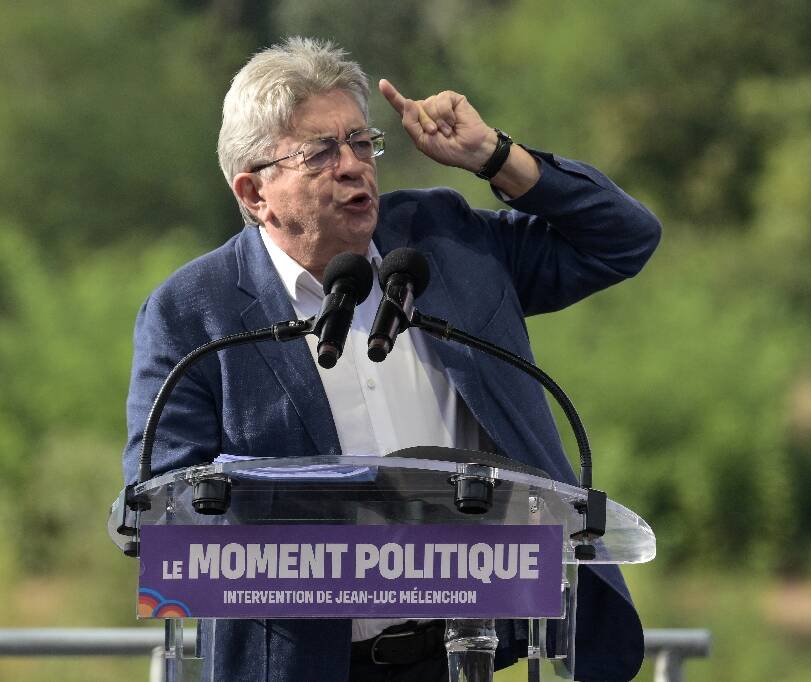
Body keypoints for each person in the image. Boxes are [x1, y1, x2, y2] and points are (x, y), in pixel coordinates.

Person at [122, 36, 660, 681]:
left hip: (470, 651)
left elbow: (622, 240)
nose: (354, 165)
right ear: (254, 192)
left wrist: (493, 156)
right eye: (320, 152)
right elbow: (163, 517)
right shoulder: (192, 312)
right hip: (298, 665)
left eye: (360, 142)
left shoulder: (444, 241)